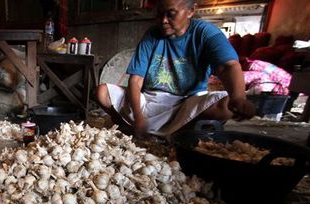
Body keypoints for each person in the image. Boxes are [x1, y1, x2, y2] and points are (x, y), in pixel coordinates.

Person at [95, 0, 256, 138]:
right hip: (149, 102)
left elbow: (228, 66)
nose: (163, 20)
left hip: (186, 105)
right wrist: (138, 117)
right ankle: (144, 128)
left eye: (170, 14)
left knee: (227, 105)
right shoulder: (152, 35)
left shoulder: (205, 33)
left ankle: (176, 129)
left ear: (190, 11)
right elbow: (136, 80)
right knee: (102, 92)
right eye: (159, 15)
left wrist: (239, 97)